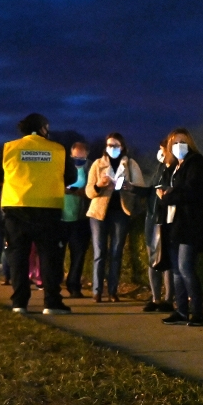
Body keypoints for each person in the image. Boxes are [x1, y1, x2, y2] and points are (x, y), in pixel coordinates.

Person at [0, 113, 77, 315]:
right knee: (49, 258)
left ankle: (19, 303)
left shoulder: (8, 148)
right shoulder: (58, 149)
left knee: (18, 257)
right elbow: (71, 176)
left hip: (16, 209)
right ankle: (52, 303)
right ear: (43, 128)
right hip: (48, 208)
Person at [158, 128, 203, 326]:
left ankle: (197, 312)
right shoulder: (175, 167)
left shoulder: (196, 162)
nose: (179, 145)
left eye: (183, 141)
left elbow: (192, 191)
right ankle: (181, 311)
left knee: (186, 268)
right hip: (175, 223)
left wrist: (167, 197)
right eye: (175, 142)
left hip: (190, 222)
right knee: (177, 271)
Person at [86, 133, 146, 302]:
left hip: (121, 212)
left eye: (116, 145)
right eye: (110, 145)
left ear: (122, 146)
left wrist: (128, 186)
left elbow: (140, 186)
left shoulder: (131, 164)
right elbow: (89, 191)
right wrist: (100, 185)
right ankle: (97, 291)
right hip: (99, 213)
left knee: (116, 252)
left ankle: (113, 290)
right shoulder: (98, 164)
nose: (112, 148)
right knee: (99, 252)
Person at [143, 137, 175, 313]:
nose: (161, 153)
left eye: (163, 150)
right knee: (153, 260)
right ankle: (155, 298)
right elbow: (150, 191)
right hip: (152, 217)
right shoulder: (160, 168)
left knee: (166, 260)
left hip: (164, 218)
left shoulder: (174, 170)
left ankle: (168, 299)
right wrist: (132, 188)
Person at [61, 141, 91, 298]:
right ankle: (54, 284)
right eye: (75, 156)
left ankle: (74, 286)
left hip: (80, 218)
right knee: (57, 255)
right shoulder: (63, 166)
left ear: (87, 154)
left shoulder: (90, 168)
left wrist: (81, 192)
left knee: (78, 255)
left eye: (81, 156)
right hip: (61, 217)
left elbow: (93, 189)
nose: (78, 159)